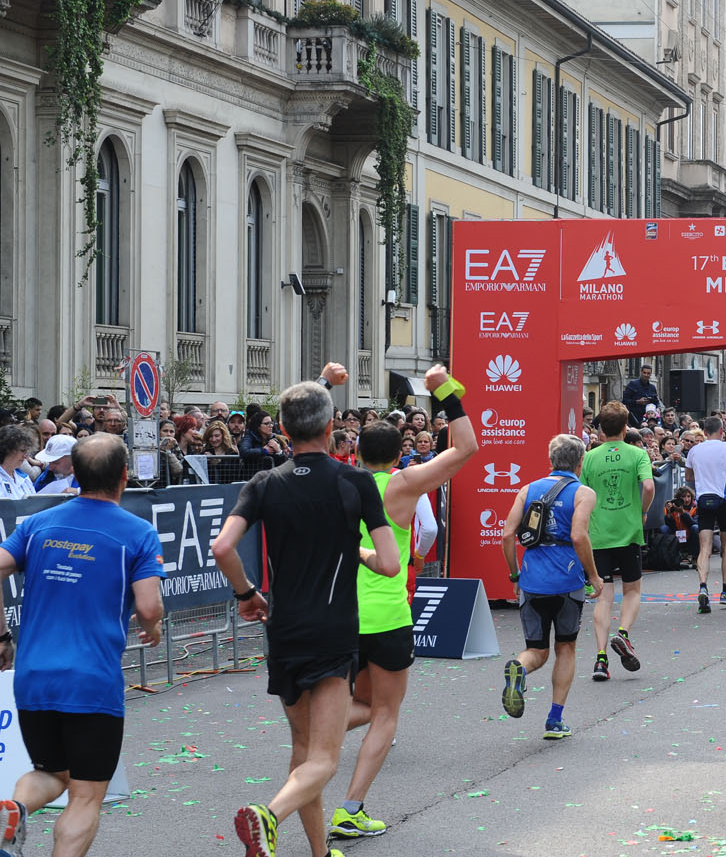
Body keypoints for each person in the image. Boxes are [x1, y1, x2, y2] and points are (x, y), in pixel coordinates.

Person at [210, 363, 403, 857]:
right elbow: (388, 563)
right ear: (330, 426)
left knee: (302, 751)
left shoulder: (264, 482)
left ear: (282, 427)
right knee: (324, 759)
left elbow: (222, 548)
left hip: (284, 627)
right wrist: (354, 552)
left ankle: (319, 853)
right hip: (334, 629)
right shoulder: (354, 482)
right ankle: (267, 815)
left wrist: (246, 594)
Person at [0, 434, 165, 857]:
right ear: (124, 477)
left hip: (34, 675)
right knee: (86, 795)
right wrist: (155, 627)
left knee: (51, 772)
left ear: (75, 471)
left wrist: (1, 633)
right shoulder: (138, 533)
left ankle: (13, 808)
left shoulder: (37, 524)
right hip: (92, 681)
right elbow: (148, 606)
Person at [331, 366, 477, 840]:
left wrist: (327, 385)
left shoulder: (338, 482)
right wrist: (446, 394)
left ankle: (318, 730)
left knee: (364, 704)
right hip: (390, 614)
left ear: (354, 452)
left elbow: (301, 438)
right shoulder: (404, 484)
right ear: (400, 453)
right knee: (385, 715)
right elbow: (467, 448)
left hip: (342, 615)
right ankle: (351, 807)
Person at [499, 435, 603, 740]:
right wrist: (594, 577)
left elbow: (507, 535)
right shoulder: (583, 493)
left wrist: (515, 575)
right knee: (565, 647)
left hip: (532, 579)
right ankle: (555, 720)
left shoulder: (527, 489)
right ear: (581, 463)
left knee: (536, 650)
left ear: (550, 460)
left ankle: (519, 667)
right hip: (566, 581)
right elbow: (579, 537)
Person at [580, 401, 655, 683]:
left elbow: (581, 493)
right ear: (626, 428)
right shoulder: (638, 454)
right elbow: (648, 486)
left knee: (603, 596)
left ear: (600, 429)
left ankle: (601, 659)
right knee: (633, 589)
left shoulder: (589, 458)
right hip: (628, 531)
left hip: (598, 534)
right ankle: (622, 633)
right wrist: (643, 510)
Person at [684, 416, 726, 613]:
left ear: (704, 432)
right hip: (723, 500)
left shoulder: (695, 449)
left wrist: (703, 477)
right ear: (721, 431)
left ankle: (703, 586)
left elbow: (688, 477)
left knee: (705, 547)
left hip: (704, 499)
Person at [0, 426, 36, 500]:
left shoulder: (25, 478)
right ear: (7, 449)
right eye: (22, 451)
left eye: (27, 451)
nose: (26, 456)